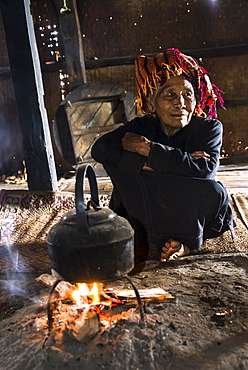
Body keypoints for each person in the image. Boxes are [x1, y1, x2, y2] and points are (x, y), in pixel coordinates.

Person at [91, 48, 235, 266]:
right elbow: (100, 149)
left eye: (188, 95)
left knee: (213, 191)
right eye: (170, 95)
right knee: (124, 175)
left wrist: (148, 150)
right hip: (151, 205)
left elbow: (207, 171)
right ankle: (165, 239)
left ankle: (186, 243)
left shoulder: (209, 128)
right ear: (151, 103)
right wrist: (180, 166)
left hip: (183, 207)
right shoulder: (142, 125)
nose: (180, 103)